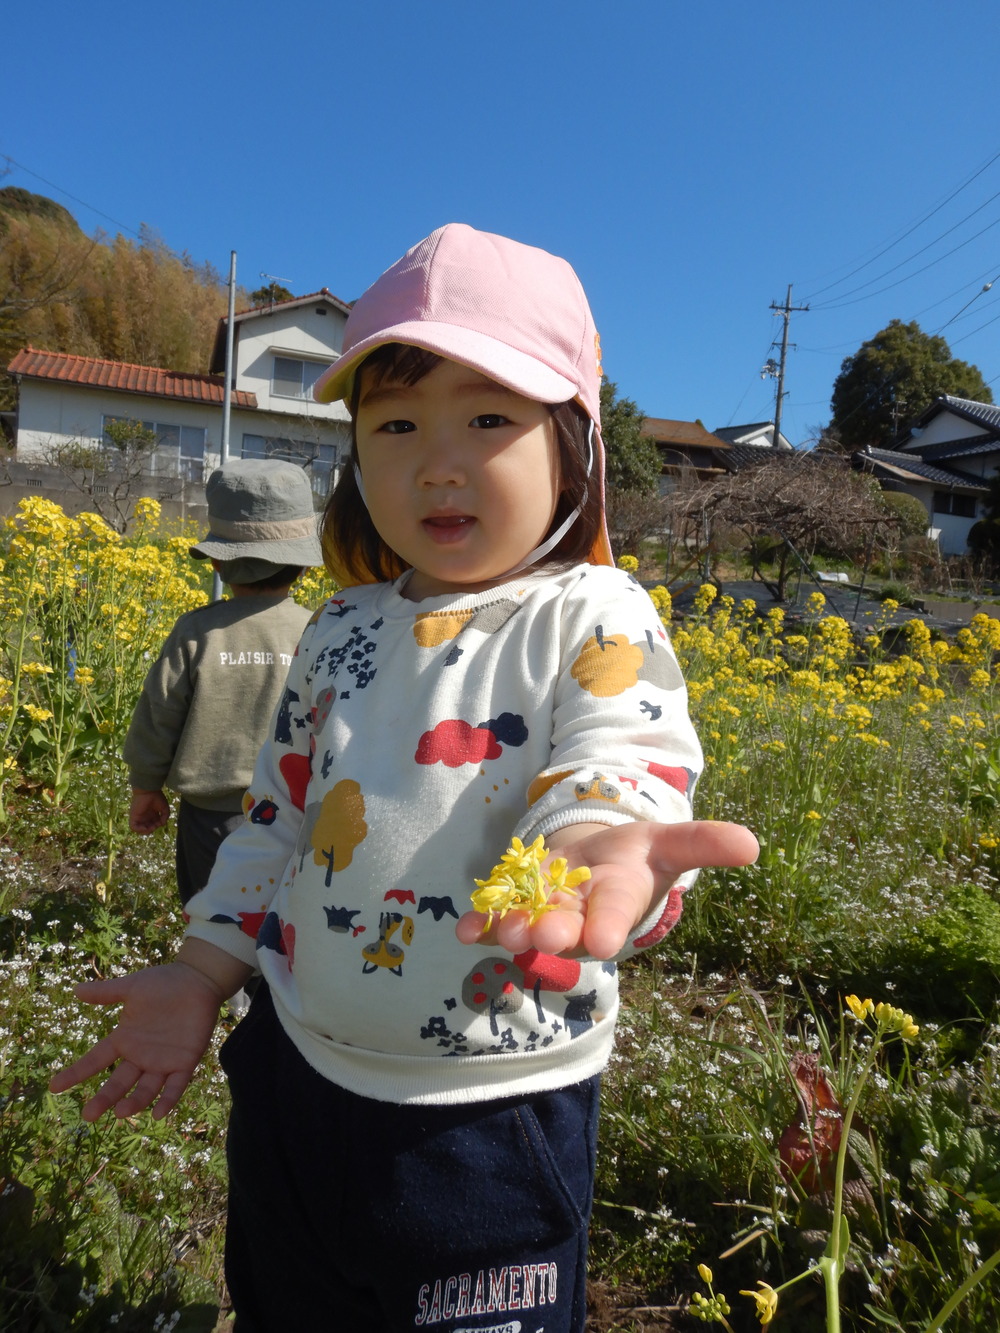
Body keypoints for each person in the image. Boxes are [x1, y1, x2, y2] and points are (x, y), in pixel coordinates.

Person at [51, 224, 758, 1333]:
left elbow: (624, 755)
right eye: (393, 424)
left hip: (488, 1117)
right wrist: (199, 973)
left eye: (487, 418)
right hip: (293, 1077)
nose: (437, 461)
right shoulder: (335, 627)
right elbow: (275, 823)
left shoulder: (593, 610)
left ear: (574, 443)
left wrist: (602, 836)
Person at [122, 459, 324, 905]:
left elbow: (158, 715)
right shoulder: (320, 631)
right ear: (304, 565)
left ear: (217, 562)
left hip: (209, 819)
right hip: (295, 817)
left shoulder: (197, 632)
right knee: (281, 922)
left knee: (211, 920)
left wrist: (145, 786)